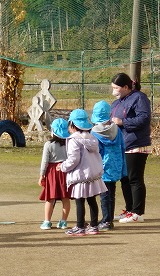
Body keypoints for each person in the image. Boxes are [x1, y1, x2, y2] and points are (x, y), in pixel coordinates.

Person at [57, 109, 107, 236]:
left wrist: (62, 166)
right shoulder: (92, 138)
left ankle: (80, 226)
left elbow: (74, 159)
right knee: (92, 200)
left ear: (72, 125)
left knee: (80, 201)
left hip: (80, 176)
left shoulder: (74, 140)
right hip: (93, 175)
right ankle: (94, 225)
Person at [110, 73, 152, 223]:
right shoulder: (117, 102)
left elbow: (144, 118)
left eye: (116, 87)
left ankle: (138, 213)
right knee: (125, 179)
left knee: (135, 178)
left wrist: (123, 122)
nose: (113, 90)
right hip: (123, 145)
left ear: (126, 87)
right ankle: (129, 210)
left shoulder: (139, 98)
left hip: (137, 144)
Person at [91, 100, 127, 231]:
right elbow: (122, 147)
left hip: (103, 168)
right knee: (111, 194)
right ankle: (109, 219)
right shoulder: (116, 129)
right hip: (116, 165)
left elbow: (96, 151)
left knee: (104, 195)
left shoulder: (94, 132)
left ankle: (106, 220)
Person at [38, 118, 71, 230]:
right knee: (65, 197)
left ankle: (47, 221)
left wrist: (41, 175)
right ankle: (63, 221)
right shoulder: (69, 143)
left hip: (52, 172)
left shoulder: (48, 144)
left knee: (50, 198)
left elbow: (45, 161)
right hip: (65, 171)